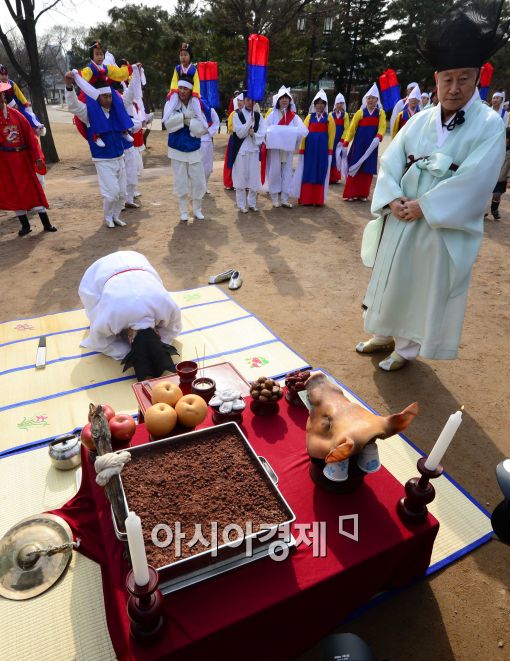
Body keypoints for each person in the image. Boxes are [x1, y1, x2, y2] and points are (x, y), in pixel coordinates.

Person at [356, 0, 507, 372]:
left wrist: (425, 206)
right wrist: (392, 199)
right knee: (390, 274)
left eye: (463, 79)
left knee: (419, 284)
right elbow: (391, 158)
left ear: (476, 78)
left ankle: (405, 348)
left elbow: (477, 178)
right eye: (447, 79)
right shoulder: (420, 119)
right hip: (402, 212)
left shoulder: (488, 124)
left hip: (437, 221)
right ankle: (382, 332)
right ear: (436, 81)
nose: (454, 88)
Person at [78, 251, 182, 381]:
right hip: (97, 271)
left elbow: (173, 330)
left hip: (135, 259)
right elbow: (100, 342)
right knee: (95, 309)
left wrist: (148, 350)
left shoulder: (167, 306)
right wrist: (133, 352)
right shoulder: (109, 317)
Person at [65, 70, 133, 228]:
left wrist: (134, 75)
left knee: (122, 193)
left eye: (110, 96)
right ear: (97, 97)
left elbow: (129, 97)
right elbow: (73, 105)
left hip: (119, 157)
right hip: (103, 159)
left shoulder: (116, 111)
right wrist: (69, 86)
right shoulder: (89, 113)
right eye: (105, 97)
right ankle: (108, 217)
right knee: (112, 193)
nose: (108, 100)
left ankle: (116, 216)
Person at [0, 81, 56, 236]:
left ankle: (46, 223)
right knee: (14, 192)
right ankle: (25, 225)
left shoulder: (17, 115)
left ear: (3, 97)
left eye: (0, 95)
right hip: (6, 162)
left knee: (33, 189)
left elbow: (31, 138)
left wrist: (37, 157)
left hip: (23, 159)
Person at [162, 72, 208, 222]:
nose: (182, 91)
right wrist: (184, 117)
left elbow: (201, 128)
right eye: (180, 88)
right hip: (177, 149)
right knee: (181, 182)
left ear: (190, 90)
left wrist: (188, 122)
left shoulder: (197, 105)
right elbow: (168, 124)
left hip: (194, 148)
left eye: (185, 89)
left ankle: (197, 209)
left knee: (198, 181)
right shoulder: (171, 103)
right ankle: (183, 210)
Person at [264, 86, 308, 208]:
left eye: (286, 98)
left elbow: (303, 131)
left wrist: (292, 136)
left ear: (290, 101)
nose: (284, 100)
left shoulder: (293, 117)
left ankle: (284, 198)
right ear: (278, 100)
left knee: (287, 173)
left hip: (287, 150)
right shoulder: (272, 115)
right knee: (274, 172)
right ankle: (274, 199)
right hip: (275, 150)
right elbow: (264, 130)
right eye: (282, 98)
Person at [342, 83, 386, 201]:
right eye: (369, 98)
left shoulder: (380, 113)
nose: (371, 100)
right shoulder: (360, 113)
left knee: (367, 170)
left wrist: (379, 136)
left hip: (371, 146)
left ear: (377, 100)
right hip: (358, 145)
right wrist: (346, 141)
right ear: (366, 99)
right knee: (355, 167)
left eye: (373, 98)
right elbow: (351, 129)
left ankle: (363, 194)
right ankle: (350, 194)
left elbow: (382, 127)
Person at [293, 89, 336, 206]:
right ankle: (306, 199)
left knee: (319, 171)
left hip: (322, 151)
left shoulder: (329, 119)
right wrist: (302, 149)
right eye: (317, 103)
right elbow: (303, 134)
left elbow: (332, 136)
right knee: (308, 171)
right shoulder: (309, 118)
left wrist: (330, 151)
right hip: (310, 151)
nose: (319, 105)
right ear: (314, 104)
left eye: (322, 103)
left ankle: (317, 200)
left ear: (325, 105)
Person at [231, 91, 267, 213]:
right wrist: (248, 124)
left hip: (253, 149)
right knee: (241, 176)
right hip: (241, 150)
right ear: (244, 100)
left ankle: (252, 203)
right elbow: (239, 133)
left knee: (253, 176)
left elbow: (263, 132)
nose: (250, 102)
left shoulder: (258, 116)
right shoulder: (237, 115)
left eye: (252, 100)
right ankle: (241, 204)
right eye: (247, 100)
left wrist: (254, 134)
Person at [486, 127, 510, 220]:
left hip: (501, 178)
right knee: (484, 194)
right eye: (506, 137)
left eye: (508, 138)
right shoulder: (495, 146)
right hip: (489, 175)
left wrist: (509, 180)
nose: (507, 140)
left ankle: (494, 210)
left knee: (497, 194)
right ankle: (482, 211)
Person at [200, 99, 220, 193]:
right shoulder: (194, 110)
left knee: (207, 167)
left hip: (207, 141)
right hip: (196, 141)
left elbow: (216, 123)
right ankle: (196, 187)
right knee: (196, 166)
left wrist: (208, 132)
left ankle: (205, 186)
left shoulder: (211, 111)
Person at [223, 92, 243, 190]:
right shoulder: (233, 113)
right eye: (238, 100)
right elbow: (231, 128)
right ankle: (231, 182)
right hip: (234, 140)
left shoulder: (251, 113)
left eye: (242, 100)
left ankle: (243, 183)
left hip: (245, 141)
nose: (240, 102)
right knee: (232, 161)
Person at [329, 92, 350, 183]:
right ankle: (329, 177)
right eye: (338, 103)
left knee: (338, 156)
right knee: (331, 156)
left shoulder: (345, 115)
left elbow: (347, 128)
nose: (339, 105)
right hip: (331, 139)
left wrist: (342, 139)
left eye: (341, 103)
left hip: (339, 140)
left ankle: (335, 177)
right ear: (335, 104)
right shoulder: (330, 115)